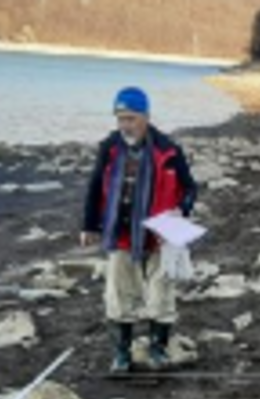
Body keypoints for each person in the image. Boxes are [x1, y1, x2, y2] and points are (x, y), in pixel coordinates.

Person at [80, 86, 198, 373]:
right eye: (120, 118)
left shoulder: (168, 149)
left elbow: (191, 189)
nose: (125, 125)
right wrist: (88, 225)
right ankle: (122, 354)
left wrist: (181, 209)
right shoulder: (109, 148)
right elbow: (95, 187)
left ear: (146, 116)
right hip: (120, 234)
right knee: (118, 294)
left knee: (161, 294)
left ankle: (158, 351)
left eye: (131, 118)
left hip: (161, 235)